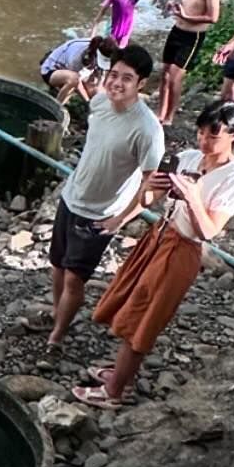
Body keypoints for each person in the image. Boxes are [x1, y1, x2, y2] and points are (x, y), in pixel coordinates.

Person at [74, 100, 234, 408]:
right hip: (159, 235)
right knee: (131, 302)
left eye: (213, 136)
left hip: (183, 248)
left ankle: (114, 392)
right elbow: (149, 199)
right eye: (200, 134)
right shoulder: (190, 158)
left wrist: (193, 197)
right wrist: (150, 187)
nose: (203, 142)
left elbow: (209, 231)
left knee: (145, 318)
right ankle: (120, 376)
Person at [47, 44, 165, 352]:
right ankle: (54, 312)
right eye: (113, 75)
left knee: (75, 278)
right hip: (72, 197)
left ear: (141, 84)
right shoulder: (99, 103)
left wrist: (119, 219)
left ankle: (57, 335)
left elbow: (154, 185)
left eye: (127, 78)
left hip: (101, 213)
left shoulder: (147, 130)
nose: (117, 83)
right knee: (57, 266)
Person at [156, 0, 221, 126]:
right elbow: (187, 3)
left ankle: (169, 116)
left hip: (192, 36)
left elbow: (213, 17)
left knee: (175, 76)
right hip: (177, 30)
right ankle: (160, 113)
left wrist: (188, 18)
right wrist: (175, 5)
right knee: (165, 74)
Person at [41, 36, 118, 106]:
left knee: (97, 93)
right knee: (73, 80)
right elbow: (77, 82)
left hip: (74, 72)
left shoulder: (98, 50)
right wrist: (87, 101)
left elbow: (100, 80)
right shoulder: (78, 56)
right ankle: (57, 107)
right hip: (52, 70)